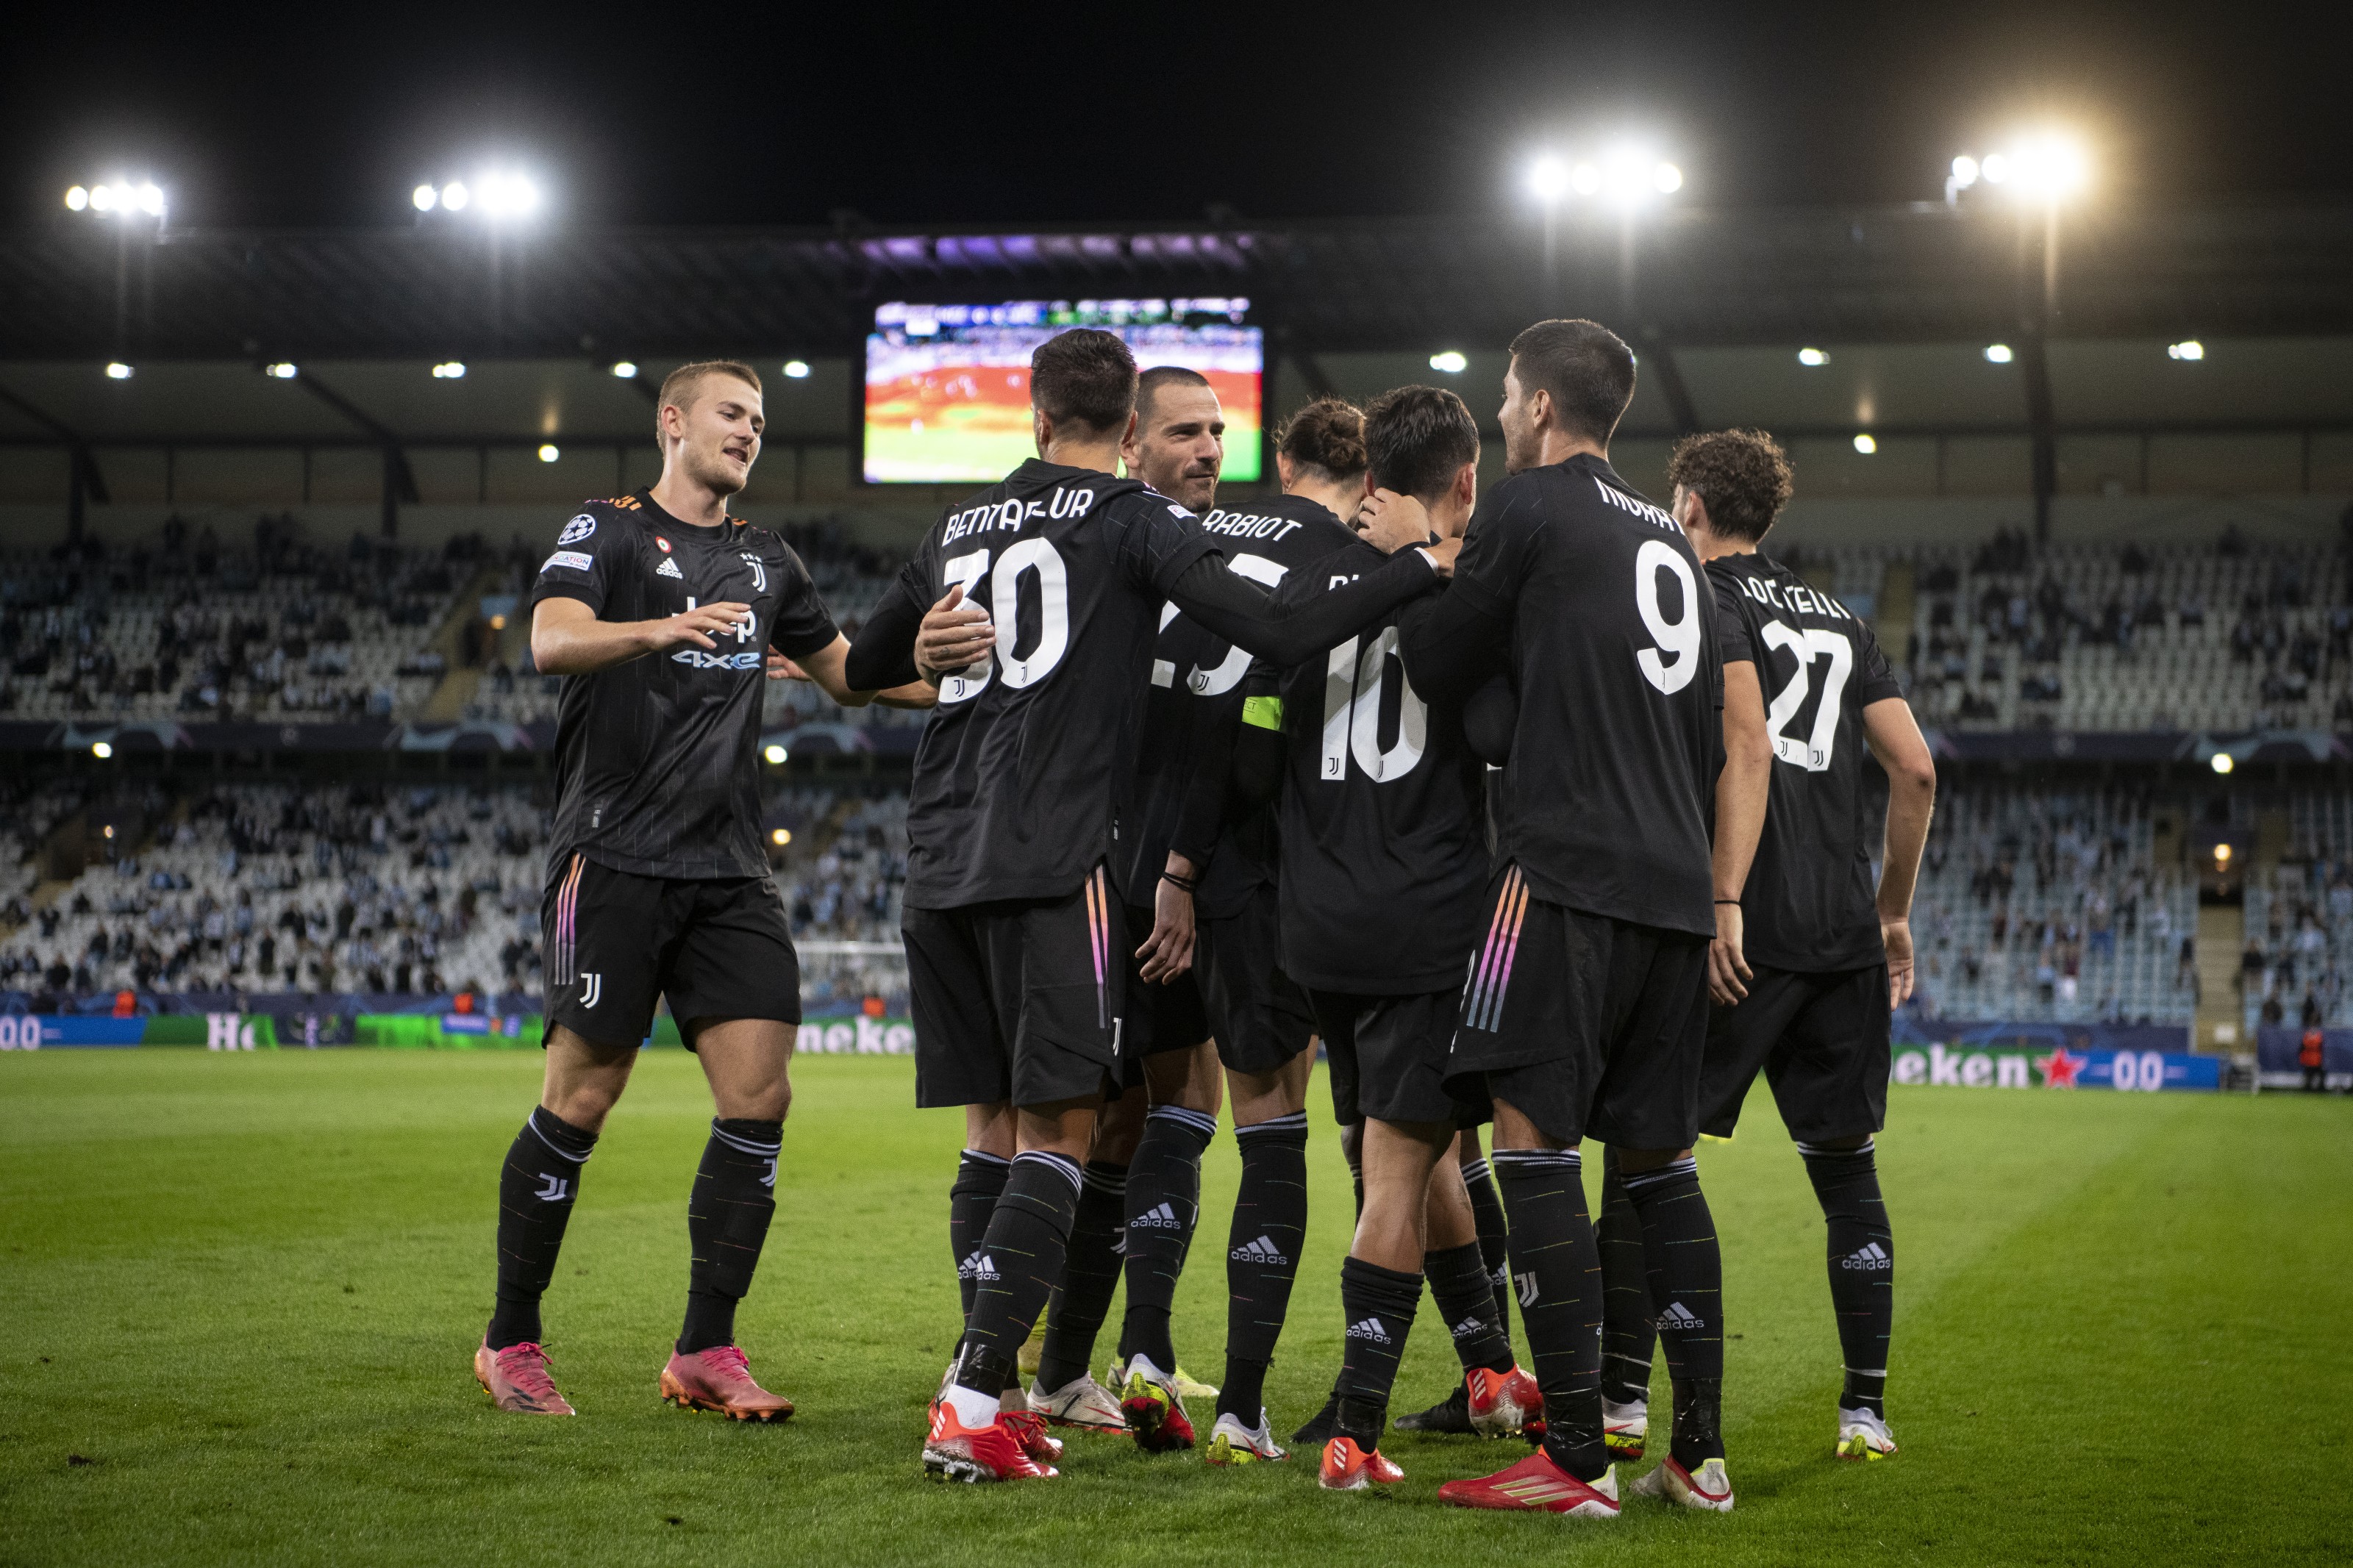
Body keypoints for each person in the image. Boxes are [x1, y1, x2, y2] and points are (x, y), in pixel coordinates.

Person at [840, 327, 1459, 1483]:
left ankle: (1011, 1380)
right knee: (1064, 1135)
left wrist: (925, 640)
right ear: (1128, 435)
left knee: (1003, 1131)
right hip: (1067, 855)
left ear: (1030, 418)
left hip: (940, 860)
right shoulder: (1132, 524)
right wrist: (1417, 569)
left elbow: (869, 659)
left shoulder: (959, 526)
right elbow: (1274, 632)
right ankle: (981, 1394)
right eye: (1181, 428)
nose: (1205, 450)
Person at [475, 359, 932, 1420]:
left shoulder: (770, 560)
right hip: (616, 855)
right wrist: (658, 630)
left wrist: (959, 672)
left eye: (762, 421)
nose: (751, 432)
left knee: (760, 1097)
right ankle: (510, 1338)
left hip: (729, 869)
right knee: (582, 1097)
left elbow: (854, 673)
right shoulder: (611, 529)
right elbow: (550, 639)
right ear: (673, 422)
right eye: (733, 414)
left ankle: (705, 1347)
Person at [1390, 319, 1746, 1519]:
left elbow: (1437, 663)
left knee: (1530, 1142)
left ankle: (1578, 1455)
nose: (1498, 413)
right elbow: (1700, 737)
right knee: (1660, 1166)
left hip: (1558, 878)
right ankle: (1697, 1451)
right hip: (1673, 891)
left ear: (1541, 407)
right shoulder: (1676, 548)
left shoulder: (1529, 507)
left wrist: (1431, 546)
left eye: (1504, 395)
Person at [1025, 384, 1368, 1461]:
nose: (1212, 448)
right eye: (1191, 430)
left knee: (1137, 1113)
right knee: (1260, 1117)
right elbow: (1255, 728)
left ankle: (1114, 1355)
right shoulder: (1319, 552)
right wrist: (1187, 862)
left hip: (1111, 861)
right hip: (1234, 867)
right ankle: (1238, 1403)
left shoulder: (1157, 542)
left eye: (1222, 432)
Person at [1593, 428, 1934, 1470]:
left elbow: (1717, 749)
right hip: (1839, 935)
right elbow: (1915, 772)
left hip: (1732, 928)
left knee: (1645, 1155)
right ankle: (1864, 1410)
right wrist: (1890, 910)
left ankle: (1619, 1399)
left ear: (1689, 504)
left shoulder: (1697, 601)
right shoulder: (1839, 613)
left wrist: (1716, 890)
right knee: (1848, 1176)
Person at [1227, 385, 1541, 1491]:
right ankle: (1358, 1434)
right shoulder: (1464, 598)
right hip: (1425, 925)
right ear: (1465, 484)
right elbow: (1503, 737)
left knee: (1398, 1153)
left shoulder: (1312, 596)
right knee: (1402, 1173)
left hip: (1318, 930)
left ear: (1368, 482)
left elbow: (1256, 761)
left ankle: (1493, 1370)